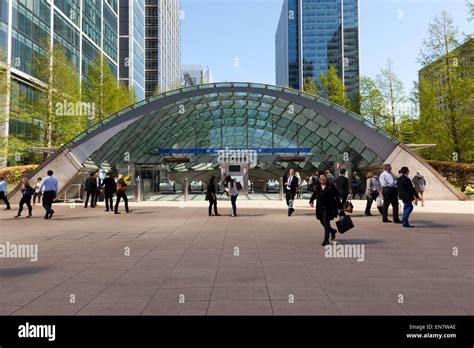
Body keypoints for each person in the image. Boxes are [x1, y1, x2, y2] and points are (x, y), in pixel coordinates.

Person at [310, 172, 342, 246]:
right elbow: (314, 195)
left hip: (329, 208)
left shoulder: (331, 186)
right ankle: (333, 231)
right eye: (321, 178)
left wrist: (340, 207)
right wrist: (311, 201)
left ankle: (326, 240)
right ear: (319, 179)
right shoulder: (317, 187)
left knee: (326, 223)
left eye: (324, 178)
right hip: (320, 208)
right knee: (322, 222)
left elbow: (337, 197)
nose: (323, 179)